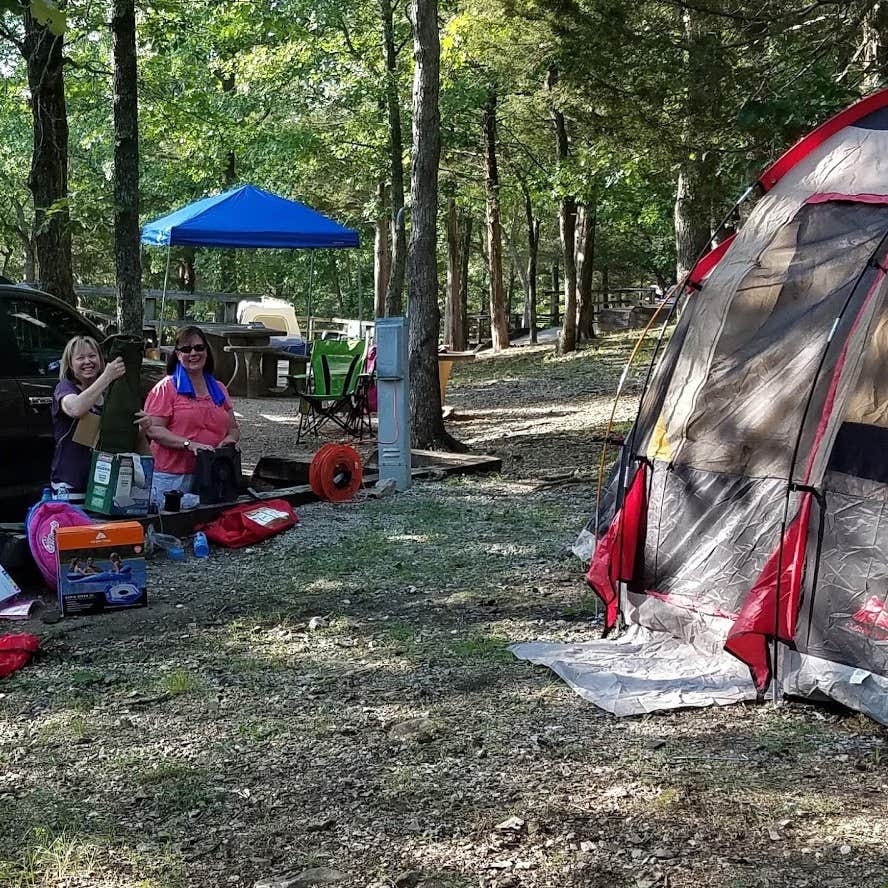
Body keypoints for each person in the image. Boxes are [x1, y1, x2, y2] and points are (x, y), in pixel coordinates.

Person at [141, 325, 240, 507]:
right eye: (186, 349)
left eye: (199, 348)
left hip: (213, 473)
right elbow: (154, 429)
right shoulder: (165, 388)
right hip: (172, 476)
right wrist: (189, 444)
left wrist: (229, 441)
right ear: (177, 355)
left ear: (207, 351)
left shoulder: (219, 388)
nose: (193, 353)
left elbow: (233, 429)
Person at [52, 336, 126, 500]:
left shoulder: (110, 394)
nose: (87, 361)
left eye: (92, 356)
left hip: (103, 484)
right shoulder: (65, 388)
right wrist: (107, 376)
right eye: (80, 358)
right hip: (71, 484)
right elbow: (76, 408)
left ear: (100, 359)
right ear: (71, 364)